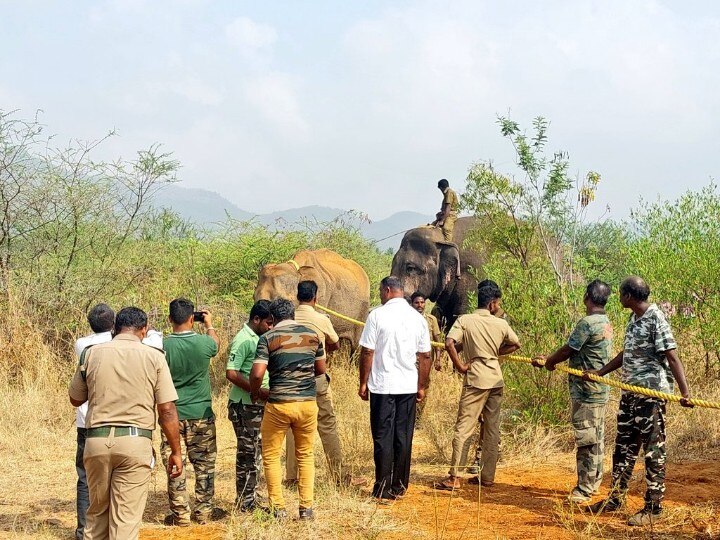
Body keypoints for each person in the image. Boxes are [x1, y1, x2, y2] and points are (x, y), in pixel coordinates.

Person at [584, 276, 693, 526]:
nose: (618, 297)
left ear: (629, 296)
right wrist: (600, 373)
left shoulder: (656, 318)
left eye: (621, 293)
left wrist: (685, 392)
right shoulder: (633, 319)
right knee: (623, 449)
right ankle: (615, 499)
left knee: (653, 452)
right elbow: (627, 353)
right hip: (630, 395)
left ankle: (653, 508)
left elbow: (672, 356)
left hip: (651, 397)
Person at [69, 307, 182, 540]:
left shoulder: (91, 353)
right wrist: (176, 451)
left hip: (96, 442)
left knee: (96, 516)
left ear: (114, 328)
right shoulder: (154, 356)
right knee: (125, 523)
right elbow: (167, 410)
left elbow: (75, 398)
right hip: (134, 443)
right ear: (144, 329)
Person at [531, 280, 613, 503]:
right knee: (597, 438)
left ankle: (584, 489)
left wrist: (549, 362)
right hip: (599, 390)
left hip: (586, 392)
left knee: (587, 439)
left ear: (587, 296)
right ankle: (594, 484)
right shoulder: (605, 321)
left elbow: (569, 349)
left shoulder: (587, 323)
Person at [435, 280, 520, 490]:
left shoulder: (465, 320)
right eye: (498, 303)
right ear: (491, 304)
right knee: (492, 428)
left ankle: (455, 476)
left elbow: (448, 343)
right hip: (496, 378)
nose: (498, 307)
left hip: (476, 378)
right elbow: (516, 344)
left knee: (465, 427)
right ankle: (487, 476)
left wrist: (461, 366)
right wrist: (495, 354)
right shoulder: (501, 324)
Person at [250, 298, 326, 520]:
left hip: (279, 405)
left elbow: (256, 374)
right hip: (307, 405)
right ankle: (306, 508)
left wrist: (255, 393)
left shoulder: (268, 338)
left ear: (272, 318)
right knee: (305, 455)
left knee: (272, 456)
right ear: (292, 314)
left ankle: (278, 508)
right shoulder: (313, 335)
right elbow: (320, 369)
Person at [358, 276, 432, 500]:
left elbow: (368, 351)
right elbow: (426, 355)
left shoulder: (377, 315)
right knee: (403, 435)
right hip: (407, 385)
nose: (380, 295)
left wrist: (363, 381)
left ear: (388, 290)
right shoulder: (417, 318)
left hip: (382, 385)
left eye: (381, 292)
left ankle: (382, 487)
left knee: (382, 435)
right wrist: (422, 385)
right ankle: (399, 486)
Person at [286, 280, 365, 487]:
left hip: (291, 380)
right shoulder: (321, 319)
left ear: (297, 296)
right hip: (316, 377)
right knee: (327, 425)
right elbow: (336, 343)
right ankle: (339, 476)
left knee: (293, 426)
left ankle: (292, 477)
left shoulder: (288, 317)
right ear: (316, 298)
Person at [161, 298, 221, 526]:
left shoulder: (163, 346)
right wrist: (209, 324)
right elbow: (216, 344)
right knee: (204, 464)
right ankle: (204, 512)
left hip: (171, 414)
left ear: (170, 319)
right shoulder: (204, 343)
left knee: (175, 463)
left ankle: (180, 514)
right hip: (200, 413)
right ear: (191, 318)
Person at [226, 299, 274, 512]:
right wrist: (255, 391)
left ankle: (251, 497)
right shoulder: (244, 339)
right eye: (268, 323)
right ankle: (245, 503)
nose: (270, 327)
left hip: (257, 404)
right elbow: (232, 372)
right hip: (245, 405)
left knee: (256, 452)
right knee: (247, 453)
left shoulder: (260, 338)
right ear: (256, 319)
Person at [410, 291, 443, 370]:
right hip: (410, 361)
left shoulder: (431, 320)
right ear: (411, 304)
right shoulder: (406, 320)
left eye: (422, 302)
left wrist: (437, 359)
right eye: (416, 303)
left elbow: (438, 343)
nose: (420, 305)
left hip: (426, 361)